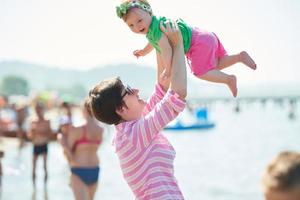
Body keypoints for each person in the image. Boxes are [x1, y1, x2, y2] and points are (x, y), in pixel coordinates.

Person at [88, 22, 187, 199]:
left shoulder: (131, 130)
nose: (136, 91)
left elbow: (161, 91)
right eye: (128, 90)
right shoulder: (132, 135)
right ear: (120, 108)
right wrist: (178, 45)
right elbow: (177, 95)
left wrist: (157, 35)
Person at [116, 0, 257, 97]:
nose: (137, 27)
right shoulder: (152, 29)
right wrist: (143, 52)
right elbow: (153, 43)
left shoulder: (156, 29)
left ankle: (229, 79)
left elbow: (166, 50)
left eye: (139, 21)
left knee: (200, 72)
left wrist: (168, 70)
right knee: (215, 66)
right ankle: (240, 57)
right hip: (204, 36)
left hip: (197, 44)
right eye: (131, 25)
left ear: (150, 13)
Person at [57, 101, 104, 200]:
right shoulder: (100, 129)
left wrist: (63, 143)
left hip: (79, 169)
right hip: (95, 169)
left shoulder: (77, 129)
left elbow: (70, 156)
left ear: (83, 110)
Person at [28, 102, 52, 186]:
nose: (38, 111)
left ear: (42, 110)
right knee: (33, 167)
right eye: (37, 109)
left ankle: (45, 187)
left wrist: (41, 133)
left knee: (45, 166)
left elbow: (50, 134)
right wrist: (33, 133)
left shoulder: (47, 121)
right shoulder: (32, 121)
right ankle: (33, 187)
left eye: (39, 109)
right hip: (36, 145)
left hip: (44, 144)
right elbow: (30, 136)